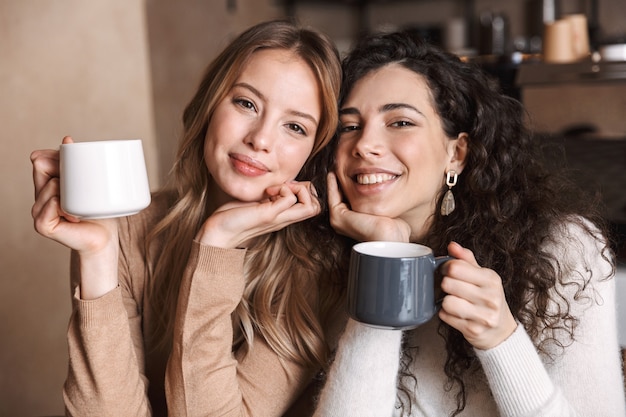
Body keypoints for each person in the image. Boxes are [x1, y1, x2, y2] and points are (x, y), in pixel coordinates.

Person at [30, 19, 348, 416]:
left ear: (313, 153)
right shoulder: (129, 228)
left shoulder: (316, 269)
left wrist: (216, 246)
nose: (261, 139)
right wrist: (98, 254)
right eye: (246, 103)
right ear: (210, 104)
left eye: (295, 127)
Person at [312, 30, 626, 416]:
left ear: (457, 154)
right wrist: (386, 254)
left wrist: (501, 340)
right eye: (348, 126)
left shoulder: (564, 250)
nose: (363, 144)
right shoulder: (321, 261)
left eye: (400, 122)